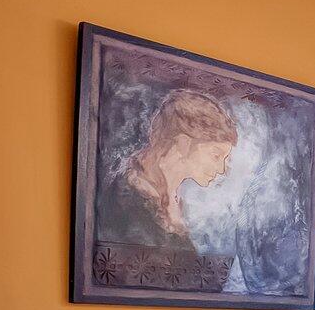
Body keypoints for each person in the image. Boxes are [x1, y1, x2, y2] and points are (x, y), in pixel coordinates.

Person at [101, 87, 238, 253]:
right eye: (216, 155)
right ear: (183, 143)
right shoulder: (126, 197)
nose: (222, 170)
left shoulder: (174, 202)